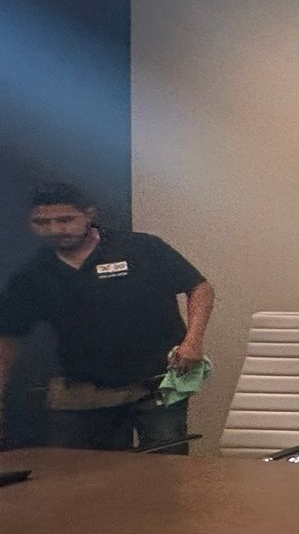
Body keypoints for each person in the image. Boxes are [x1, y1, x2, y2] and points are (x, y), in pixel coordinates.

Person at [0, 181, 214, 451]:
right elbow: (8, 339)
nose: (54, 229)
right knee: (86, 474)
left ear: (89, 214)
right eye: (42, 222)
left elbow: (200, 287)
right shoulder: (33, 275)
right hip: (85, 390)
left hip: (156, 383)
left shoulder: (141, 248)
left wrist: (192, 342)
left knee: (166, 465)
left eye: (65, 219)